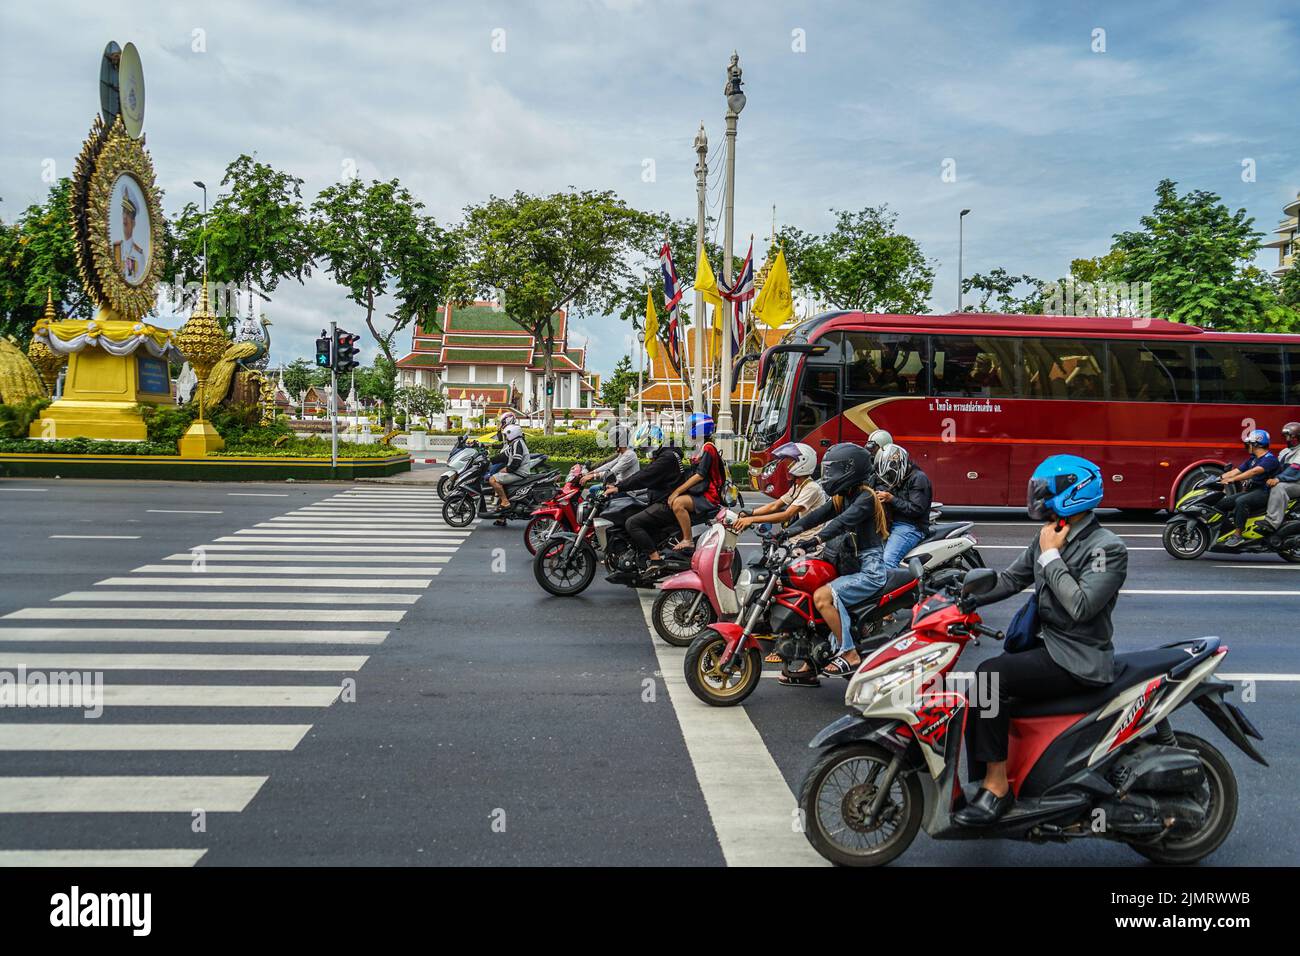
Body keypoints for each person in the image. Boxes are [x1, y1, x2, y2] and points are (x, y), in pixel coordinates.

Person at [953, 455, 1127, 826]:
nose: (1041, 500)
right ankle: (993, 777)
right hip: (1047, 646)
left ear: (1074, 494)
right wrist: (962, 598)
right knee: (984, 690)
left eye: (1047, 493)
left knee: (988, 678)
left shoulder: (1104, 547)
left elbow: (1081, 606)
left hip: (1078, 657)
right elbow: (1011, 579)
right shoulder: (1049, 533)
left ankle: (997, 787)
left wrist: (1051, 557)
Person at [781, 443, 890, 686]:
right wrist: (787, 533)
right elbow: (816, 516)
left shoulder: (865, 499)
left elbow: (840, 523)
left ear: (850, 470)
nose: (828, 476)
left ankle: (849, 654)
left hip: (868, 569)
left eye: (833, 470)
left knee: (822, 597)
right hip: (844, 561)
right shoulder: (843, 496)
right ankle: (813, 659)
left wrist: (815, 540)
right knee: (808, 593)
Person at [733, 442, 825, 536]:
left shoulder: (811, 488)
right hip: (797, 537)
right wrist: (751, 512)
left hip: (810, 541)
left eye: (791, 462)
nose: (787, 466)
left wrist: (751, 519)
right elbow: (775, 505)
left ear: (803, 462)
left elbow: (786, 515)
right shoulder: (798, 486)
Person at [613, 445, 685, 563]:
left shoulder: (666, 458)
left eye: (646, 449)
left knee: (632, 523)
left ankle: (655, 559)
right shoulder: (668, 455)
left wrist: (618, 488)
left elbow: (645, 475)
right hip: (663, 498)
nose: (647, 455)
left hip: (666, 503)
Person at [667, 413, 726, 551]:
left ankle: (688, 540)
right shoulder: (700, 447)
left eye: (691, 426)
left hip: (709, 496)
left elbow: (700, 475)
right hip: (701, 492)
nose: (688, 430)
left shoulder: (708, 448)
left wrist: (677, 491)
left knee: (678, 503)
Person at [1219, 429, 1281, 547]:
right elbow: (1237, 471)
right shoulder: (1253, 459)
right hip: (1253, 491)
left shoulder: (1270, 459)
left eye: (1249, 443)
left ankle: (1238, 535)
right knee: (1223, 502)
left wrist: (1233, 479)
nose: (1247, 446)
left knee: (1241, 501)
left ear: (1256, 444)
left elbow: (1253, 472)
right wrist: (1218, 478)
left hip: (1265, 492)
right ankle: (1223, 530)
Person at [874, 443, 932, 567]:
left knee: (887, 562)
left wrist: (891, 499)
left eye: (890, 474)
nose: (889, 478)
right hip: (893, 524)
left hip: (910, 527)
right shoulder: (899, 478)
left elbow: (916, 509)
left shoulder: (918, 478)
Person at [486, 423, 530, 525]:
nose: (505, 437)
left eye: (506, 435)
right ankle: (502, 518)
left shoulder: (517, 444)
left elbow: (516, 463)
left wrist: (506, 469)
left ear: (512, 434)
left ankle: (505, 502)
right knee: (502, 487)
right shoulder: (515, 443)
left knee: (493, 479)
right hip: (518, 472)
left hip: (519, 473)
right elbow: (503, 456)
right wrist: (489, 460)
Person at [1262, 422, 1300, 534]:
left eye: (1289, 436)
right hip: (1289, 481)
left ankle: (1272, 523)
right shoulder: (1285, 451)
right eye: (1285, 436)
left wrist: (1278, 479)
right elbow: (1275, 468)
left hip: (1297, 483)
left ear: (1297, 437)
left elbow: (1295, 469)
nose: (1286, 439)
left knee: (1279, 487)